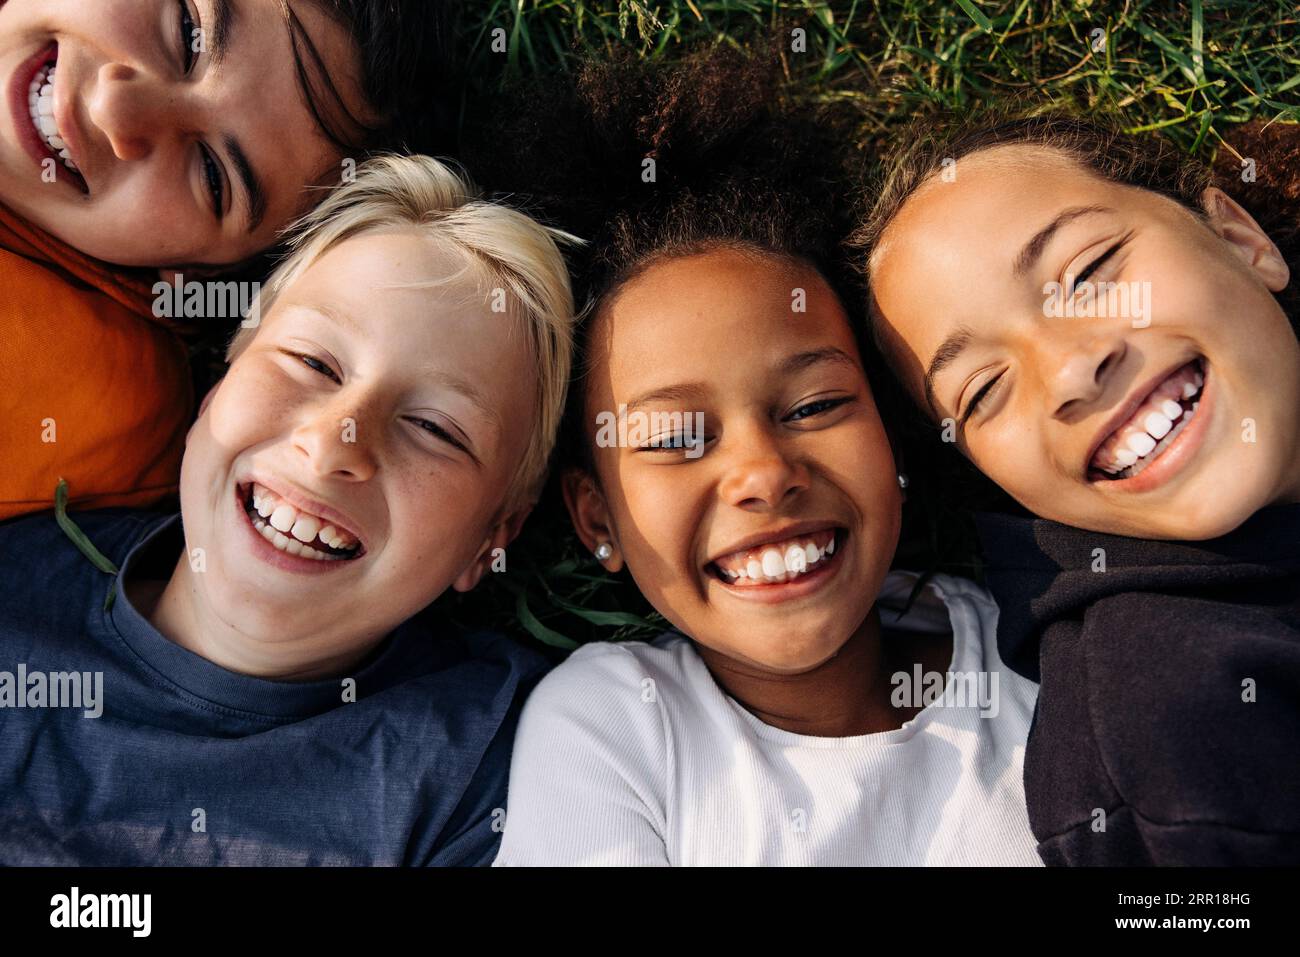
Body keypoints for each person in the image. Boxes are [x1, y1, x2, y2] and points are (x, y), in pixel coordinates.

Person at [0, 153, 577, 865]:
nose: (338, 440)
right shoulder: (13, 590)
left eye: (435, 429)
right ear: (219, 387)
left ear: (490, 540)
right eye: (313, 362)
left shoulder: (482, 769)